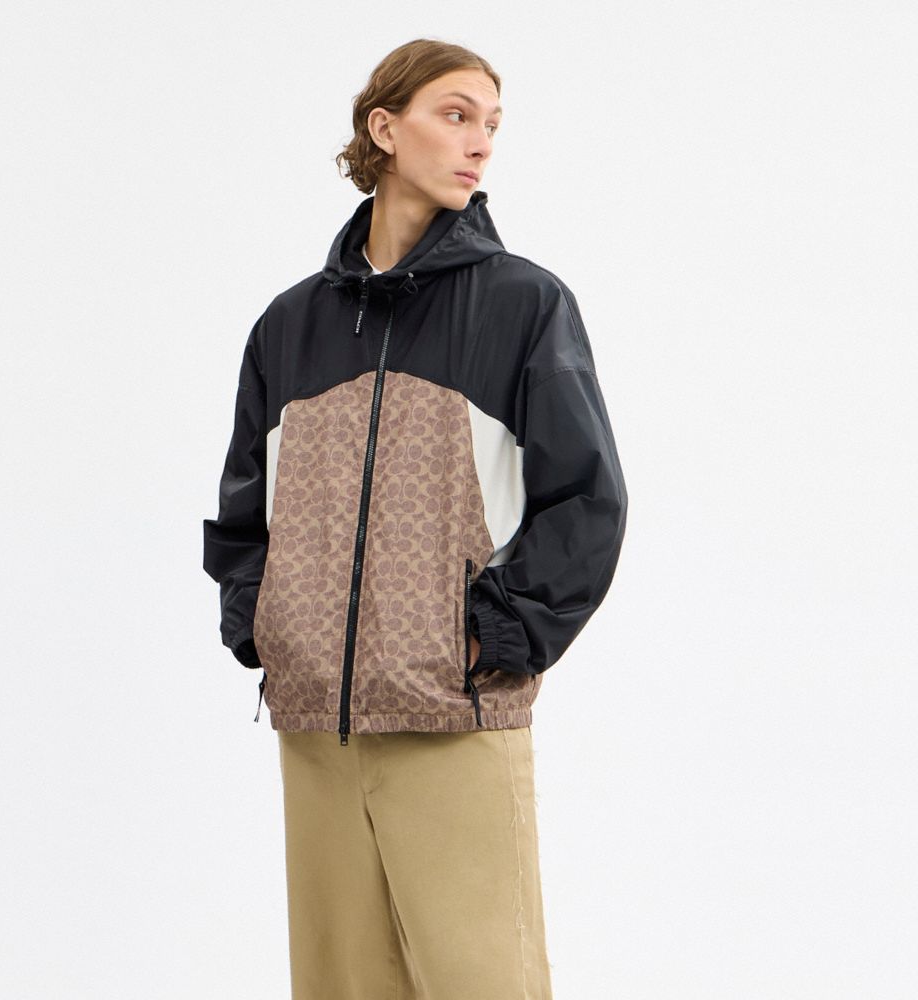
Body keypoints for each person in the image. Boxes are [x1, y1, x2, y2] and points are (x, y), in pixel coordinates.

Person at [202, 38, 628, 1000]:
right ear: (384, 128)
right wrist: (269, 627)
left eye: (491, 124)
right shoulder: (288, 326)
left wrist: (498, 637)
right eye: (456, 114)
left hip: (452, 713)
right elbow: (242, 510)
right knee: (340, 986)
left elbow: (588, 499)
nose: (480, 142)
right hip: (317, 727)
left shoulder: (525, 305)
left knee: (485, 983)